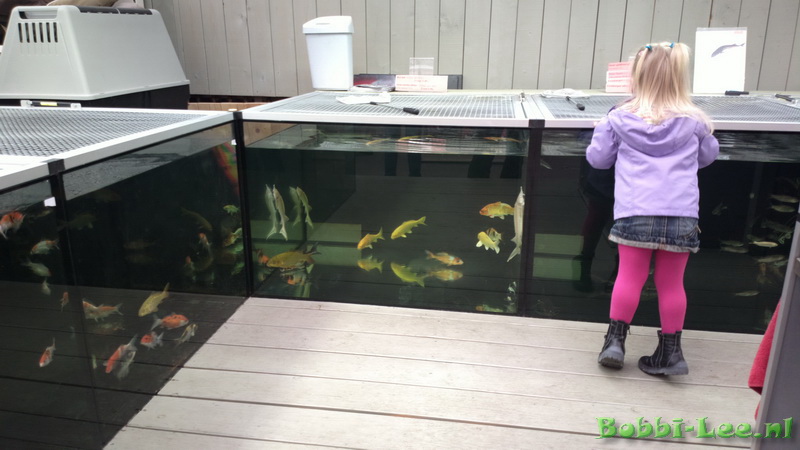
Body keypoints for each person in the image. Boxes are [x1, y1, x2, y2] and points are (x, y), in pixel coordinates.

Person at [586, 41, 719, 376]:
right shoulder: (695, 121)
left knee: (629, 278)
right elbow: (707, 157)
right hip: (681, 216)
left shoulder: (618, 118)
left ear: (637, 77)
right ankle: (671, 354)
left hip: (635, 212)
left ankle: (614, 343)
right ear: (680, 78)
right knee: (671, 284)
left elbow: (598, 160)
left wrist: (600, 130)